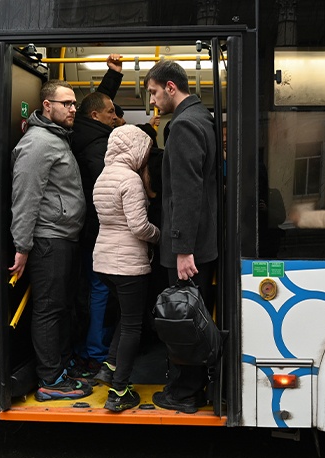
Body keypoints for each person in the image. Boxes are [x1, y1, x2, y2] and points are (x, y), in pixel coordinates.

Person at [8, 79, 92, 401]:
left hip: (62, 237)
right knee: (48, 309)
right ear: (47, 106)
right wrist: (22, 246)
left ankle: (61, 367)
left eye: (74, 104)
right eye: (66, 104)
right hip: (48, 240)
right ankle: (50, 381)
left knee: (62, 307)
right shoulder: (39, 142)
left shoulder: (55, 138)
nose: (73, 109)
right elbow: (26, 197)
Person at [144, 60, 218, 414]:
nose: (154, 102)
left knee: (182, 317)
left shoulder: (185, 125)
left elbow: (186, 193)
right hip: (199, 242)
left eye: (154, 93)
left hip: (189, 247)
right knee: (193, 315)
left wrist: (183, 248)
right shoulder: (202, 117)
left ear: (171, 88)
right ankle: (191, 387)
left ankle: (184, 393)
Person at [92, 124, 160, 412]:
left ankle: (110, 366)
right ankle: (119, 391)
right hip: (128, 263)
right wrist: (159, 236)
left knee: (126, 316)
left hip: (104, 261)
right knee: (134, 325)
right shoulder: (130, 180)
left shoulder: (103, 176)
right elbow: (138, 226)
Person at [70, 54, 123, 378]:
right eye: (111, 113)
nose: (116, 116)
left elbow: (99, 102)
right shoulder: (97, 149)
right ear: (96, 117)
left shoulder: (87, 131)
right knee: (100, 288)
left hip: (88, 228)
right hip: (97, 229)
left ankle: (91, 346)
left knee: (94, 287)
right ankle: (94, 351)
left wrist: (113, 75)